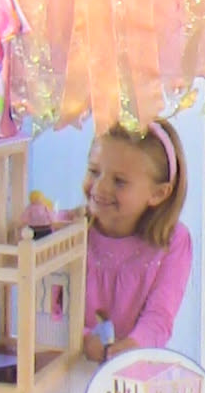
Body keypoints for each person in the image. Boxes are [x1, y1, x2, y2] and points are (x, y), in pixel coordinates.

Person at [81, 119, 192, 360]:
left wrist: (131, 348)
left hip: (134, 370)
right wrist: (85, 339)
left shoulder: (173, 241)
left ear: (158, 193)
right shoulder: (67, 233)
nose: (100, 187)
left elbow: (159, 316)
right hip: (67, 370)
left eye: (119, 181)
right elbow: (49, 314)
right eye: (94, 172)